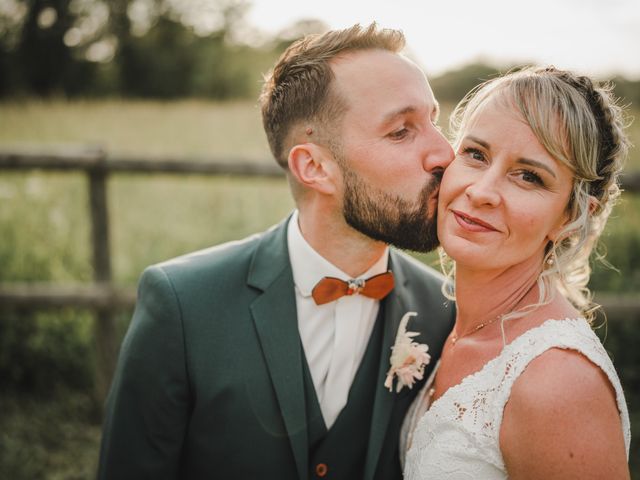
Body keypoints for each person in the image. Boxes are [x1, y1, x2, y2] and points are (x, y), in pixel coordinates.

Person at [98, 23, 456, 480]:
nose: (446, 153)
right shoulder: (183, 305)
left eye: (436, 121)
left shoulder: (444, 311)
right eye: (402, 131)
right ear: (314, 167)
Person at [402, 66, 631, 479]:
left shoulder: (558, 382)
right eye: (476, 154)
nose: (482, 191)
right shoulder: (447, 324)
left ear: (571, 216)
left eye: (528, 176)